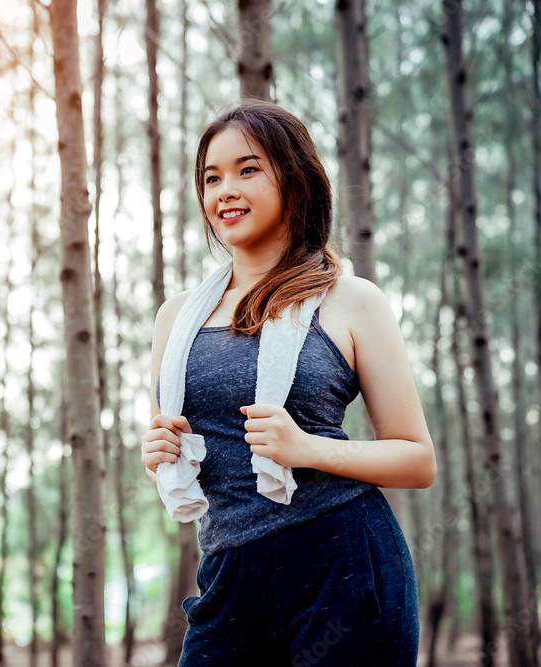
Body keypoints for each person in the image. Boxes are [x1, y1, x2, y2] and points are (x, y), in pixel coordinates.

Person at [140, 101, 435, 665]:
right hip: (227, 572)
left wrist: (306, 448)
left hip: (341, 565)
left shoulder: (350, 300)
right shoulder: (176, 317)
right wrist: (155, 450)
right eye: (211, 177)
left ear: (294, 179)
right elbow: (183, 437)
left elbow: (418, 460)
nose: (225, 188)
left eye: (248, 169)